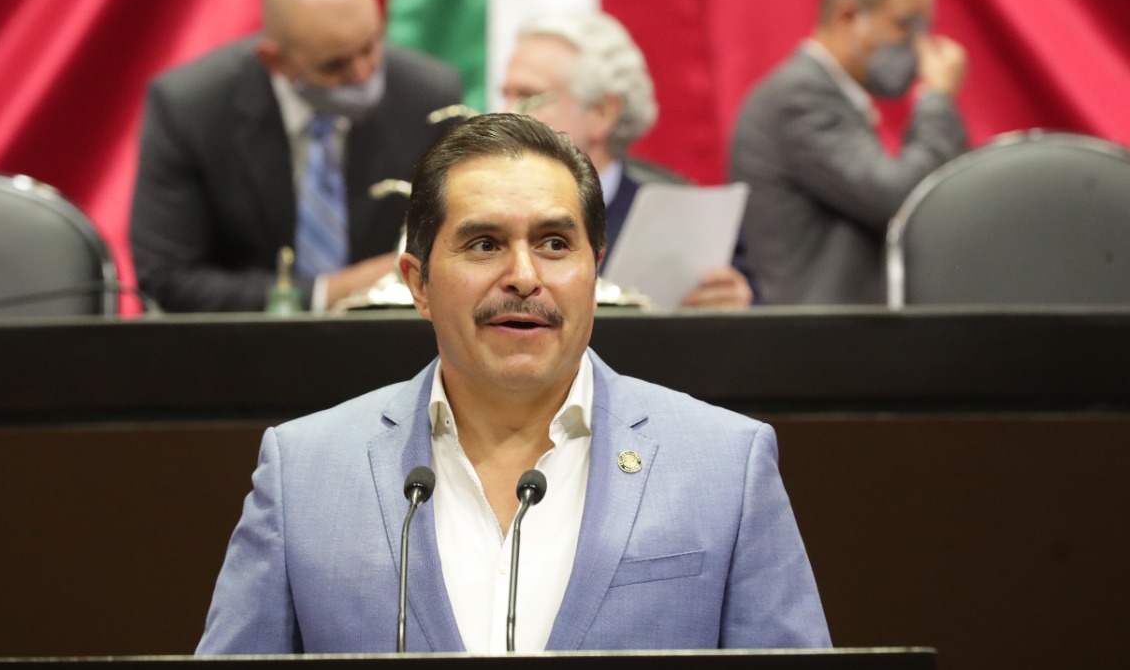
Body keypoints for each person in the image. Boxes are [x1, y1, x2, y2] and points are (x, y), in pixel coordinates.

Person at [197, 114, 829, 654]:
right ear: (418, 283)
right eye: (484, 244)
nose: (524, 276)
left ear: (594, 271)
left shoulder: (726, 463)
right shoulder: (304, 470)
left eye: (554, 243)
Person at [130, 0, 462, 312]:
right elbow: (168, 277)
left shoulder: (429, 98)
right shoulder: (191, 108)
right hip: (244, 338)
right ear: (275, 60)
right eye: (334, 66)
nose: (362, 74)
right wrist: (327, 293)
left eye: (370, 46)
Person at [729, 0, 968, 305]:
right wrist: (936, 99)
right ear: (847, 17)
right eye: (905, 25)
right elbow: (903, 200)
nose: (919, 49)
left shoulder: (825, 94)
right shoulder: (800, 96)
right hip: (814, 333)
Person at [501, 11, 755, 308]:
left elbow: (760, 318)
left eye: (529, 96)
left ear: (601, 113)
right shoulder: (482, 207)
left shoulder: (686, 221)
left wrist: (733, 308)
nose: (507, 113)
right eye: (506, 95)